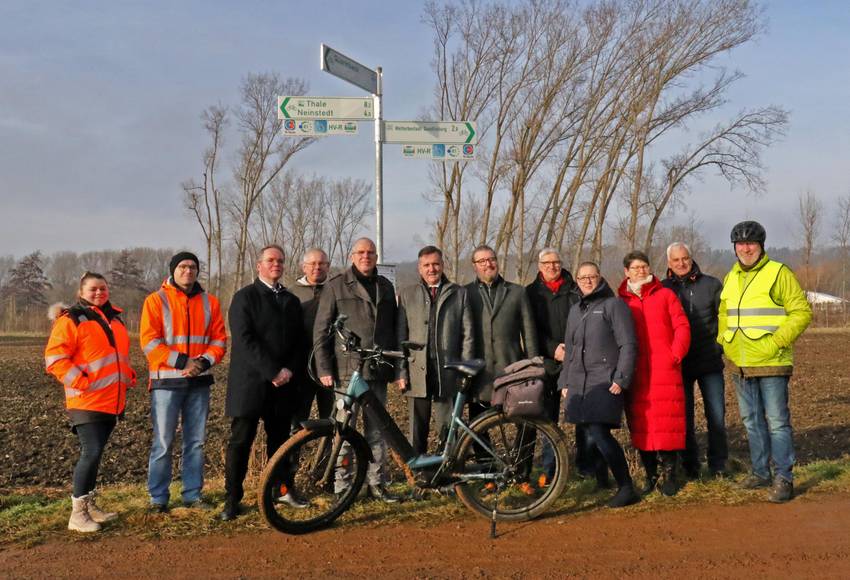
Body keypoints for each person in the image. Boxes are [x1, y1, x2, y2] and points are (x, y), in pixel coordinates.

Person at [719, 221, 812, 503]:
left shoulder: (778, 272)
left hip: (772, 361)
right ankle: (760, 472)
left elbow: (801, 312)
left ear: (761, 246)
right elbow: (724, 313)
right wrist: (724, 340)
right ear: (734, 247)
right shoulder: (730, 277)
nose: (746, 248)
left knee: (777, 423)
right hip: (740, 364)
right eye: (740, 244)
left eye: (751, 243)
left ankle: (784, 478)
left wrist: (777, 342)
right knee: (751, 421)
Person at [45, 272, 137, 532]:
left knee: (96, 455)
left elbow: (116, 357)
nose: (99, 293)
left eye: (103, 288)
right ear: (81, 292)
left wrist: (128, 375)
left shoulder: (115, 320)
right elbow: (55, 359)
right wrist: (82, 381)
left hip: (111, 401)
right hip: (86, 401)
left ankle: (89, 506)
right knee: (91, 452)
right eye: (93, 289)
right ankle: (77, 515)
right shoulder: (72, 319)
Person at [220, 245, 305, 521]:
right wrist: (273, 371)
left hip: (283, 387)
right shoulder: (244, 297)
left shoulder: (291, 301)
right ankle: (232, 498)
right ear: (259, 265)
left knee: (279, 443)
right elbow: (245, 340)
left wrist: (288, 370)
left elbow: (299, 342)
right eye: (270, 260)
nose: (276, 264)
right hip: (250, 385)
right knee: (240, 442)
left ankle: (279, 490)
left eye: (280, 260)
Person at [313, 237, 401, 503]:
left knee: (377, 430)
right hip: (346, 371)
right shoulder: (336, 285)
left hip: (377, 369)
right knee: (343, 430)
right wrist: (324, 367)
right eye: (361, 252)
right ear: (352, 256)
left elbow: (393, 328)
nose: (366, 256)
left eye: (370, 252)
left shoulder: (385, 286)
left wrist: (396, 367)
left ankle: (377, 483)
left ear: (376, 257)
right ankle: (343, 486)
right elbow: (321, 330)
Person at [140, 251, 227, 512]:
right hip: (166, 383)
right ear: (173, 270)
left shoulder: (210, 302)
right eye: (182, 267)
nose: (188, 271)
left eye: (192, 267)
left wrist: (202, 363)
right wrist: (183, 362)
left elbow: (219, 340)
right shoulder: (156, 300)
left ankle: (192, 495)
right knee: (163, 442)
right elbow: (149, 342)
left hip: (199, 382)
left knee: (196, 442)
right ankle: (158, 499)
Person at [559, 262, 640, 507]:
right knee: (586, 431)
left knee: (599, 432)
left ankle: (626, 487)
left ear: (599, 278)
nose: (587, 281)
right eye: (582, 277)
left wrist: (621, 378)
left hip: (604, 380)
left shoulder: (613, 305)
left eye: (591, 276)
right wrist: (565, 381)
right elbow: (570, 349)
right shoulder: (575, 310)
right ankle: (602, 482)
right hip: (578, 381)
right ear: (577, 281)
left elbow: (628, 344)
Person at [618, 250, 690, 496]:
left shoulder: (665, 295)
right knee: (642, 422)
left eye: (644, 266)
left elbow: (682, 325)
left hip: (664, 369)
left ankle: (670, 473)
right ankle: (650, 473)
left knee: (667, 422)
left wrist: (675, 354)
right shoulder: (621, 301)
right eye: (635, 267)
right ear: (626, 272)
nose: (641, 271)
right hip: (636, 371)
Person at [396, 245, 474, 455]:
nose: (432, 269)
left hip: (447, 371)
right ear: (419, 268)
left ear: (442, 265)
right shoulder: (407, 294)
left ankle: (449, 466)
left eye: (435, 264)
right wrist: (401, 371)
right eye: (426, 265)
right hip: (416, 371)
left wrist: (464, 369)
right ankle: (419, 468)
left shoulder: (459, 293)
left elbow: (468, 336)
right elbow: (401, 337)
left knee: (448, 427)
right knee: (417, 427)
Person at [662, 242, 728, 478]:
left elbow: (725, 319)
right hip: (679, 365)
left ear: (691, 258)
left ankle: (718, 465)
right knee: (684, 418)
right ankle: (690, 466)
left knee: (716, 416)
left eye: (685, 258)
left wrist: (719, 347)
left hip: (709, 361)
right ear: (669, 263)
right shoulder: (663, 289)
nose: (681, 263)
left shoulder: (711, 285)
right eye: (676, 260)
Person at [525, 248, 582, 486]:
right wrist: (552, 349)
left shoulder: (575, 289)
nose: (552, 266)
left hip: (576, 361)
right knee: (548, 419)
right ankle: (549, 470)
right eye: (547, 263)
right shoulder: (530, 293)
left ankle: (585, 467)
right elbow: (529, 329)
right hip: (546, 364)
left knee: (582, 415)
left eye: (556, 262)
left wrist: (572, 349)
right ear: (539, 266)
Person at [465, 245, 539, 412]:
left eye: (491, 259)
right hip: (480, 375)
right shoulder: (465, 293)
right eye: (482, 261)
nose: (488, 264)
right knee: (479, 423)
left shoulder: (517, 292)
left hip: (512, 370)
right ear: (474, 266)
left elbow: (529, 333)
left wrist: (533, 366)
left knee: (522, 420)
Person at [289, 248, 334, 426]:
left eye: (322, 263)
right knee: (298, 420)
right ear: (304, 267)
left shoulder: (336, 289)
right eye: (312, 263)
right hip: (301, 367)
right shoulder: (292, 293)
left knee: (331, 419)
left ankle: (329, 445)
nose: (317, 267)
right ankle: (295, 444)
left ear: (328, 266)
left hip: (331, 366)